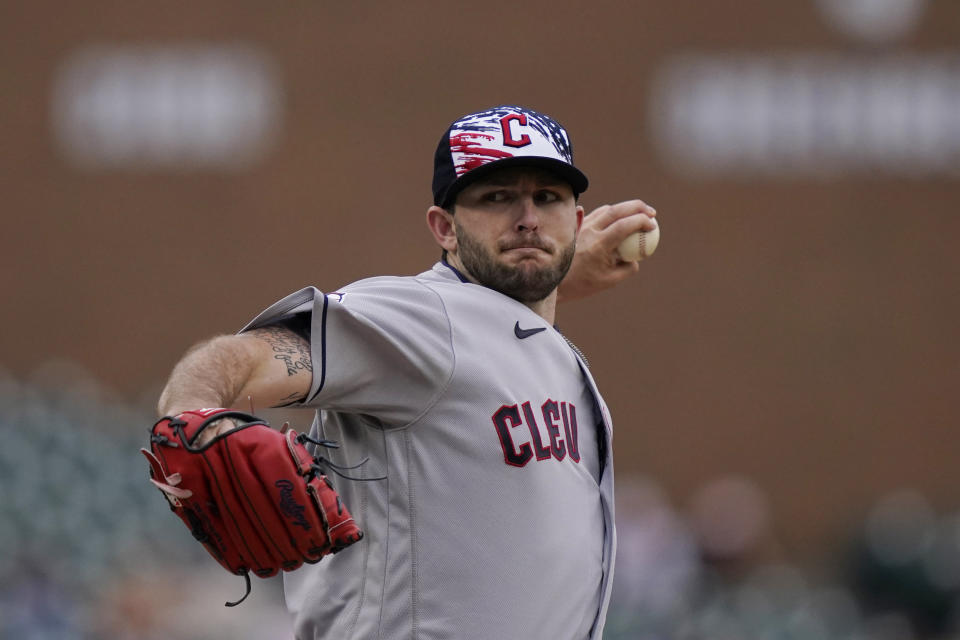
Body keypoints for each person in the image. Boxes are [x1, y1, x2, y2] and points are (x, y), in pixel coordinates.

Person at [157, 105, 657, 640]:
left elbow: (497, 330)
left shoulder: (531, 340)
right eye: (497, 197)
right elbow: (249, 356)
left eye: (548, 198)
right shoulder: (421, 317)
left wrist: (555, 278)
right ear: (445, 228)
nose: (528, 217)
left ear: (576, 224)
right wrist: (195, 410)